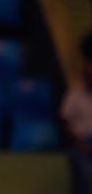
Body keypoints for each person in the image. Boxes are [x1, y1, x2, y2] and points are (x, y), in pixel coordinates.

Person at [61, 32, 92, 194]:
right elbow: (65, 120)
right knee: (87, 176)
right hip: (81, 145)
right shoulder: (76, 93)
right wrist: (81, 145)